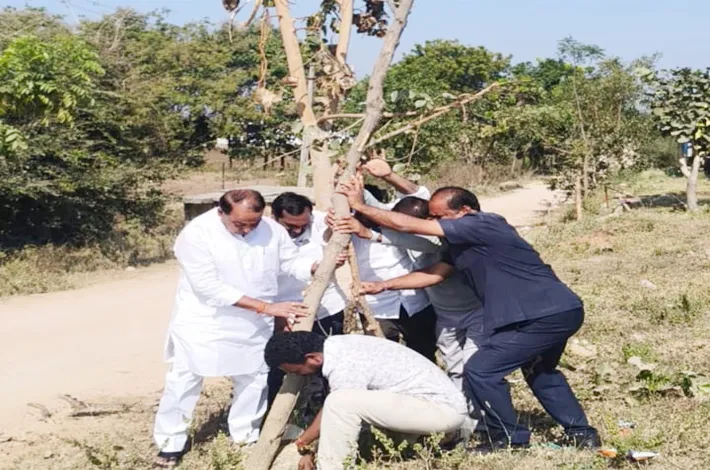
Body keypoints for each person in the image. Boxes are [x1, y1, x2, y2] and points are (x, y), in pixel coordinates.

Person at [333, 178, 601, 451]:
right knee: (540, 372)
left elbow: (406, 225)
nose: (434, 222)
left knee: (481, 370)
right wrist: (383, 285)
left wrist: (360, 206)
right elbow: (434, 275)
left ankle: (508, 438)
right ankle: (582, 433)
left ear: (465, 211)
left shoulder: (482, 223)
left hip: (540, 315)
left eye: (439, 216)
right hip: (556, 311)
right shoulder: (466, 243)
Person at [153, 189, 323, 468]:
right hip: (205, 321)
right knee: (184, 380)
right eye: (239, 224)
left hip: (253, 324)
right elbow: (208, 287)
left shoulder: (271, 230)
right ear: (221, 212)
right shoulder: (196, 234)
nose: (247, 229)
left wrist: (314, 267)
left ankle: (244, 437)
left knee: (253, 379)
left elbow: (290, 262)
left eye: (253, 223)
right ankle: (170, 443)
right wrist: (266, 307)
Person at [264, 331, 467, 470]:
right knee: (340, 401)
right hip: (426, 405)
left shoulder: (345, 365)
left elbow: (334, 410)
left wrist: (302, 442)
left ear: (313, 358)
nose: (296, 375)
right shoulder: (337, 346)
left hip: (441, 411)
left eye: (295, 371)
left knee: (340, 402)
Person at [339, 159, 437, 361]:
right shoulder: (346, 229)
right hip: (377, 308)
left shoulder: (394, 217)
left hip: (415, 302)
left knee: (424, 355)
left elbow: (419, 197)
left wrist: (389, 176)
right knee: (383, 359)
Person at [268, 192, 348, 422]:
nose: (297, 230)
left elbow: (342, 228)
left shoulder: (321, 221)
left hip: (326, 307)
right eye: (290, 226)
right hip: (285, 312)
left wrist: (337, 228)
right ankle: (275, 415)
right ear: (275, 217)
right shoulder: (264, 233)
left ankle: (319, 415)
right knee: (281, 367)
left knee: (324, 365)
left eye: (302, 225)